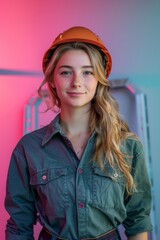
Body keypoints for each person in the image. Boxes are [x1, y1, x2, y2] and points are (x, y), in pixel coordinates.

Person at [5, 26, 152, 240]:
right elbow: (19, 226)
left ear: (99, 78)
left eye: (87, 72)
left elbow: (138, 220)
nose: (77, 82)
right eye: (66, 72)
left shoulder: (127, 146)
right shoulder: (28, 149)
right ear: (53, 80)